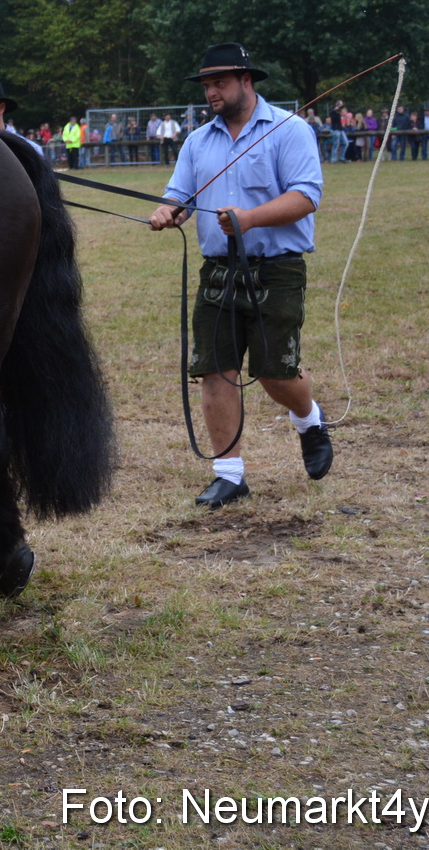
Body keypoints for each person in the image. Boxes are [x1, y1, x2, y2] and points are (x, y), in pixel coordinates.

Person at [147, 43, 334, 509]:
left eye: (219, 83)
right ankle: (229, 474)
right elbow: (181, 196)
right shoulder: (197, 141)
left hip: (278, 268)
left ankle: (309, 418)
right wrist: (168, 211)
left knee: (275, 373)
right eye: (206, 84)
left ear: (246, 81)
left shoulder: (290, 130)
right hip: (218, 272)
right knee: (215, 370)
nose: (210, 91)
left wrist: (249, 219)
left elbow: (306, 196)